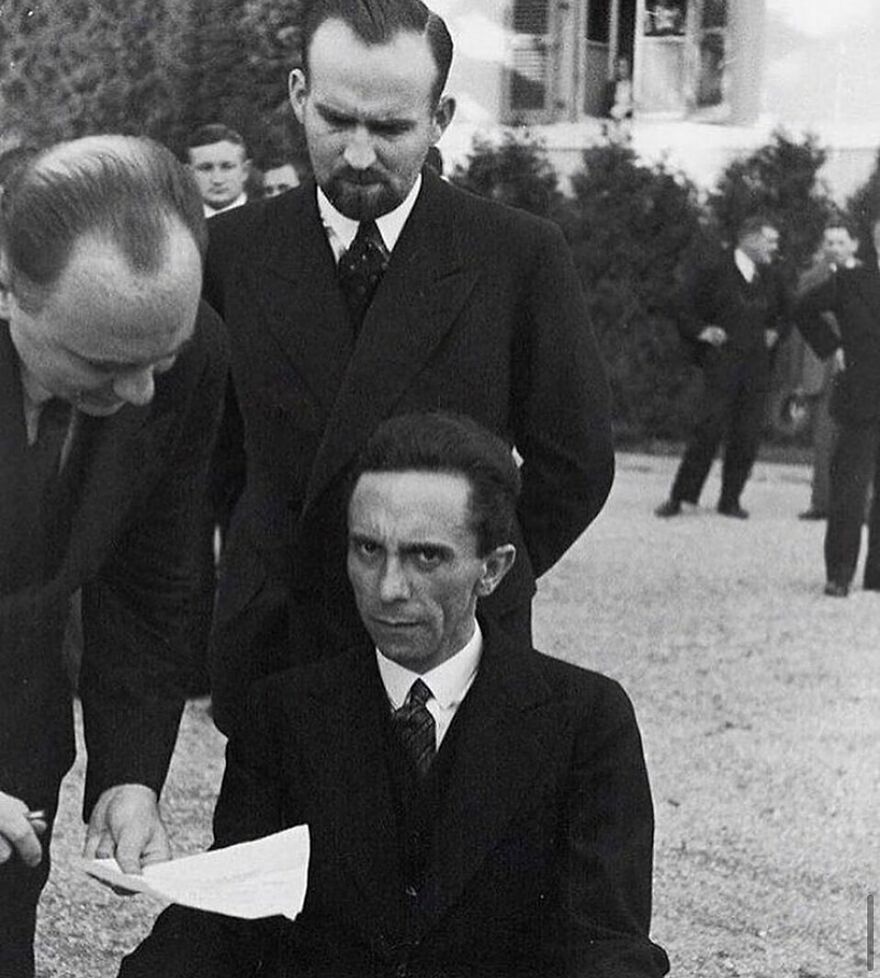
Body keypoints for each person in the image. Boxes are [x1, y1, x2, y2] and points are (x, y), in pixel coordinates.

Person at [106, 411, 669, 978]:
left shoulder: (585, 720)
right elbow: (232, 908)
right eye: (368, 549)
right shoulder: (283, 713)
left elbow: (606, 945)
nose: (387, 588)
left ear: (494, 569)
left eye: (426, 557)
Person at [205, 0, 615, 735]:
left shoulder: (517, 255)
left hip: (452, 656)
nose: (358, 154)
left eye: (391, 128)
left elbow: (576, 460)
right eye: (335, 120)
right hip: (278, 648)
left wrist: (467, 575)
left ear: (441, 117)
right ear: (300, 94)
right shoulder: (229, 252)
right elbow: (209, 462)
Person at [0, 135, 228, 978]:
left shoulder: (187, 347)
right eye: (101, 365)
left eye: (159, 362)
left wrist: (130, 771)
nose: (141, 395)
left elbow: (152, 576)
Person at [656, 215, 790, 519]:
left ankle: (730, 500)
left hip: (756, 368)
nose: (775, 246)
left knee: (747, 435)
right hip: (722, 365)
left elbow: (787, 313)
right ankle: (681, 497)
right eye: (770, 240)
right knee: (709, 429)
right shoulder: (713, 270)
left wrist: (776, 332)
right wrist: (702, 330)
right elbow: (680, 304)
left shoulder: (772, 277)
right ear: (750, 239)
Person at [794, 213, 880, 597]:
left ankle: (877, 576)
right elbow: (802, 310)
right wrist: (833, 347)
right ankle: (839, 573)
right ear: (876, 243)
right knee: (850, 488)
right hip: (860, 399)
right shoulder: (850, 280)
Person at [793, 220, 858, 521]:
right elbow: (799, 331)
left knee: (860, 440)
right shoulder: (810, 278)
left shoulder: (868, 277)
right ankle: (822, 503)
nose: (834, 248)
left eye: (840, 242)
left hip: (860, 367)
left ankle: (859, 506)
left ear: (854, 245)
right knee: (823, 439)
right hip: (821, 365)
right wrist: (796, 379)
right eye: (829, 242)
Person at [186, 123, 251, 218]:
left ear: (245, 171)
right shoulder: (175, 223)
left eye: (227, 167)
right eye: (206, 168)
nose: (217, 180)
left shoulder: (270, 219)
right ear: (189, 174)